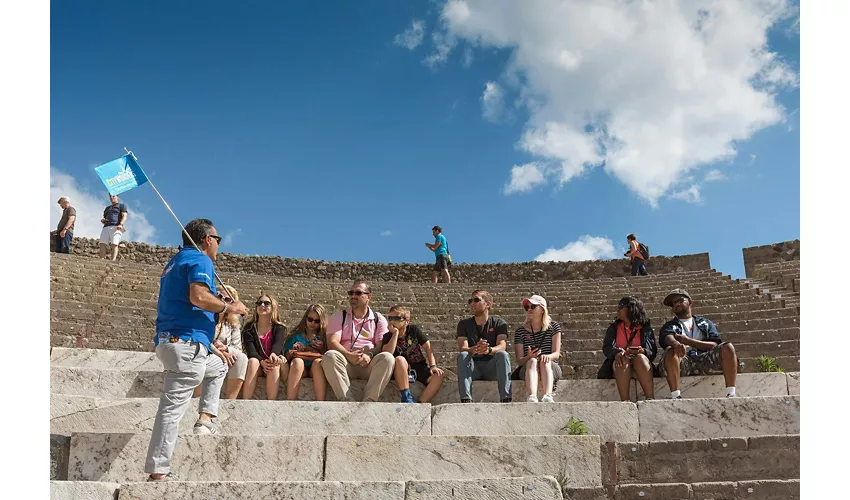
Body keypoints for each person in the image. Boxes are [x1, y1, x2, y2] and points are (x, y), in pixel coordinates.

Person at [144, 218, 249, 482]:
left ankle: (205, 420)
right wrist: (228, 308)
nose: (218, 245)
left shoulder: (175, 261)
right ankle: (159, 471)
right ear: (206, 240)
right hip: (185, 344)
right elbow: (198, 297)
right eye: (217, 239)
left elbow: (188, 302)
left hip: (175, 341)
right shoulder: (202, 260)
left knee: (219, 365)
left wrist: (212, 337)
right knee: (171, 408)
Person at [657, 289, 738, 398]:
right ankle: (676, 396)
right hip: (682, 362)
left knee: (728, 347)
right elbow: (666, 337)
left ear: (690, 302)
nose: (677, 304)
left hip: (703, 360)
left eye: (680, 300)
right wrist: (676, 344)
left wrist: (687, 341)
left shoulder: (705, 323)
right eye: (674, 303)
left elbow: (714, 344)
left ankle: (731, 393)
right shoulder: (670, 325)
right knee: (671, 351)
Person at [321, 280, 395, 402]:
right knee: (330, 356)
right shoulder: (340, 317)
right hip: (346, 363)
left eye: (358, 293)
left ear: (369, 296)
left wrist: (369, 355)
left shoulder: (378, 319)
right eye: (351, 293)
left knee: (387, 358)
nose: (353, 296)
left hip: (368, 364)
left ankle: (369, 401)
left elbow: (380, 345)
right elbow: (332, 342)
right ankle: (347, 400)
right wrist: (348, 355)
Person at [191, 285, 248, 400]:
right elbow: (201, 338)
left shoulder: (233, 324)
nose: (222, 300)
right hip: (205, 350)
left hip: (224, 354)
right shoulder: (206, 316)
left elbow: (237, 348)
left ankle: (230, 400)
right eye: (219, 296)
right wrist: (218, 351)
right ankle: (198, 398)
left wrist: (226, 349)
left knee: (242, 358)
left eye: (227, 300)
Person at [456, 290, 512, 403]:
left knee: (503, 354)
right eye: (470, 301)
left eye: (476, 300)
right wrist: (475, 349)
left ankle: (506, 398)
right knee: (463, 355)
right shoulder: (463, 324)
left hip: (492, 367)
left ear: (488, 304)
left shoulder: (499, 323)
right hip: (473, 368)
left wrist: (489, 350)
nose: (472, 303)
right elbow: (463, 347)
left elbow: (502, 345)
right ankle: (466, 399)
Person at [381, 305, 445, 403]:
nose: (392, 321)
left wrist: (433, 366)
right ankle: (406, 396)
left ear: (406, 321)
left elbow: (428, 347)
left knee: (439, 375)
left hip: (418, 366)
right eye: (390, 318)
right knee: (400, 359)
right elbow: (387, 353)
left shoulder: (413, 330)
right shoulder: (388, 336)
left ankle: (421, 403)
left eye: (396, 318)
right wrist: (395, 334)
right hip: (399, 369)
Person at [598, 296, 657, 401]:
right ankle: (625, 401)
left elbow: (652, 351)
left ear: (631, 308)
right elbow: (607, 347)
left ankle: (650, 398)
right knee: (622, 358)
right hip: (620, 366)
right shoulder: (614, 328)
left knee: (640, 358)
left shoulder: (645, 328)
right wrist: (616, 352)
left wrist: (642, 351)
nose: (618, 309)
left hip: (640, 365)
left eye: (621, 306)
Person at [512, 295, 562, 403]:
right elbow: (520, 360)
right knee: (532, 361)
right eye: (527, 307)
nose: (529, 309)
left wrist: (547, 356)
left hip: (550, 365)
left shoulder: (554, 327)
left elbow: (556, 353)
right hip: (528, 365)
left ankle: (548, 395)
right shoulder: (520, 331)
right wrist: (529, 356)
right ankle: (532, 396)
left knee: (545, 361)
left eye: (533, 306)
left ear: (542, 309)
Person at [241, 294, 287, 400]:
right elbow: (251, 351)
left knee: (273, 363)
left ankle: (271, 402)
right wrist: (262, 361)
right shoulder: (249, 329)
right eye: (259, 303)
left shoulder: (279, 328)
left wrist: (273, 355)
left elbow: (278, 345)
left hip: (276, 364)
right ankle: (245, 401)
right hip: (258, 364)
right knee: (253, 361)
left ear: (273, 307)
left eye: (266, 303)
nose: (262, 305)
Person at [283, 304, 329, 401]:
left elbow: (330, 356)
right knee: (297, 362)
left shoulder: (325, 336)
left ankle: (320, 402)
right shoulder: (295, 335)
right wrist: (294, 349)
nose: (313, 323)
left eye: (317, 321)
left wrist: (322, 348)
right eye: (310, 319)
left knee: (317, 363)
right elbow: (286, 357)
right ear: (305, 318)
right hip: (300, 367)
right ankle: (290, 401)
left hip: (315, 368)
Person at [100, 194, 128, 261]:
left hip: (116, 226)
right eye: (110, 196)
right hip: (106, 226)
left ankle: (113, 260)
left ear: (117, 196)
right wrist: (103, 220)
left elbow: (124, 215)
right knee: (102, 243)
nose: (111, 197)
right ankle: (101, 259)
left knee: (114, 244)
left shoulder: (121, 206)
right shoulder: (107, 208)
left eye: (113, 196)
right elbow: (104, 217)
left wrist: (121, 224)